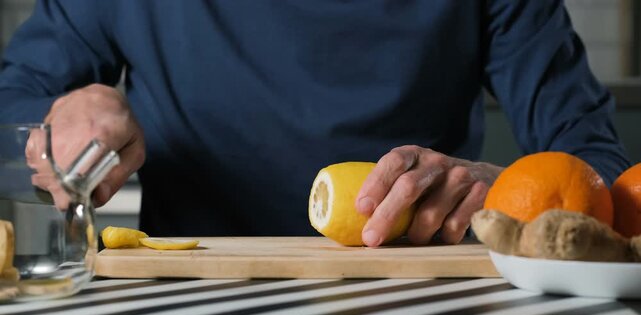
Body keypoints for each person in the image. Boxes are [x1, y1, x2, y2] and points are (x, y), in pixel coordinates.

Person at [0, 0, 630, 247]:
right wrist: (52, 129)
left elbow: (596, 166)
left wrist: (498, 189)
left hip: (422, 306)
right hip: (188, 300)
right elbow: (12, 101)